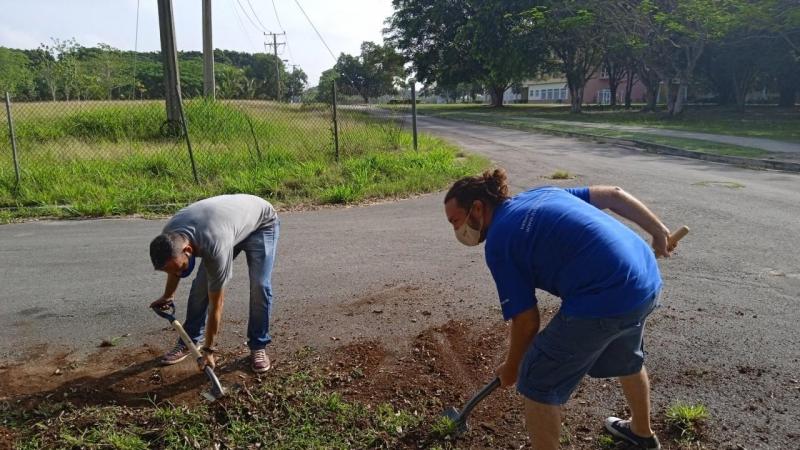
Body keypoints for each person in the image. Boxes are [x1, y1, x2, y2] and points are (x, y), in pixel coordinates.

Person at [444, 168, 676, 450]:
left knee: (537, 378)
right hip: (643, 280)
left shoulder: (500, 242)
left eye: (456, 221)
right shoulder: (540, 194)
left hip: (606, 295)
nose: (457, 230)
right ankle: (641, 433)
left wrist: (514, 367)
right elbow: (613, 196)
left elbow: (527, 321)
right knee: (625, 355)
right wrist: (658, 230)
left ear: (477, 208)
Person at [149, 194, 279, 374]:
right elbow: (174, 267)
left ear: (188, 250)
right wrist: (168, 295)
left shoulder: (214, 244)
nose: (178, 273)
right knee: (199, 289)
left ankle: (258, 345)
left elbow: (216, 304)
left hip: (261, 223)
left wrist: (209, 350)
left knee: (260, 286)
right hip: (226, 224)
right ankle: (190, 340)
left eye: (180, 267)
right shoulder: (170, 237)